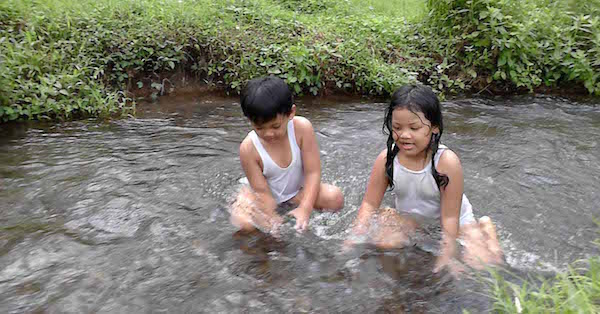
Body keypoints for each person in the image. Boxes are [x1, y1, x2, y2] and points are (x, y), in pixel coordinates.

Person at [346, 84, 503, 273]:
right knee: (386, 244)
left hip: (455, 223)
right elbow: (370, 204)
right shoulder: (386, 159)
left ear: (434, 128)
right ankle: (391, 215)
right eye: (397, 127)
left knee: (483, 266)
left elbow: (450, 217)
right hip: (412, 220)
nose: (404, 135)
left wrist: (448, 255)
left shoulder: (446, 162)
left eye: (414, 127)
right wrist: (353, 239)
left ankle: (485, 227)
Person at [230, 76, 344, 233]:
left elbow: (313, 173)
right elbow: (262, 192)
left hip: (296, 194)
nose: (269, 134)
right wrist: (272, 219)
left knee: (334, 197)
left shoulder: (302, 129)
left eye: (275, 126)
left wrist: (305, 208)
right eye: (259, 128)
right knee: (244, 223)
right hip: (262, 195)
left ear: (291, 113)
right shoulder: (248, 148)